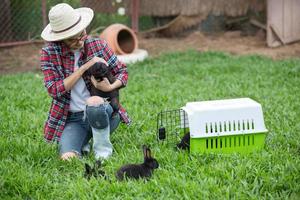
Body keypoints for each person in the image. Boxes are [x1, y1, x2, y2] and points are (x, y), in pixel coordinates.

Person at [40, 3, 130, 161]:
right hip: (73, 119)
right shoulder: (49, 53)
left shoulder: (98, 45)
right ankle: (85, 141)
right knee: (68, 158)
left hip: (105, 112)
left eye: (81, 33)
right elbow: (54, 89)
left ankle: (102, 150)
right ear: (61, 39)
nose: (80, 40)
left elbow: (122, 72)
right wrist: (84, 68)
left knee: (93, 101)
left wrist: (111, 86)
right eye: (73, 38)